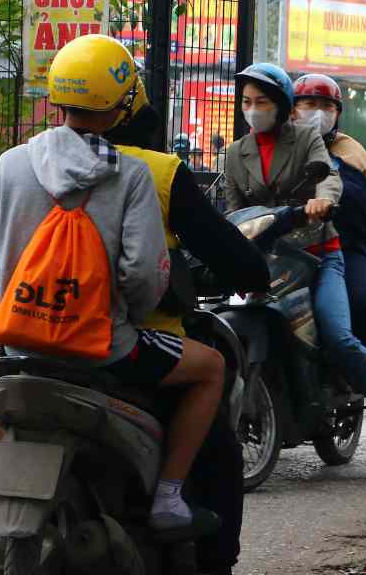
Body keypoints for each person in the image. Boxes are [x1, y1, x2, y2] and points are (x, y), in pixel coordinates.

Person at [0, 34, 217, 532]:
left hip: (18, 347)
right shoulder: (130, 176)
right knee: (212, 367)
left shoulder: (10, 166)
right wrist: (121, 315)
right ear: (122, 106)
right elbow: (144, 276)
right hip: (106, 349)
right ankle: (168, 497)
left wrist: (10, 320)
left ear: (57, 96)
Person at [105, 81, 268, 575]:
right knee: (218, 436)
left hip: (28, 337)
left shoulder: (27, 163)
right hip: (128, 341)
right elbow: (151, 274)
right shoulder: (155, 172)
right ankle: (211, 553)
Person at [221, 62, 366, 447]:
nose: (253, 109)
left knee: (338, 335)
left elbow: (328, 177)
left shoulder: (307, 140)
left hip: (319, 255)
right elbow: (233, 210)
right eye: (247, 101)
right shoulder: (235, 153)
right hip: (269, 258)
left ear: (281, 105)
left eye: (262, 101)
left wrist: (322, 203)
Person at [291, 74, 366, 368]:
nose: (317, 112)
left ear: (338, 112)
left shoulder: (353, 152)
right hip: (291, 250)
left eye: (326, 106)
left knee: (363, 301)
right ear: (292, 109)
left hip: (350, 249)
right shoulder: (283, 148)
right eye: (309, 104)